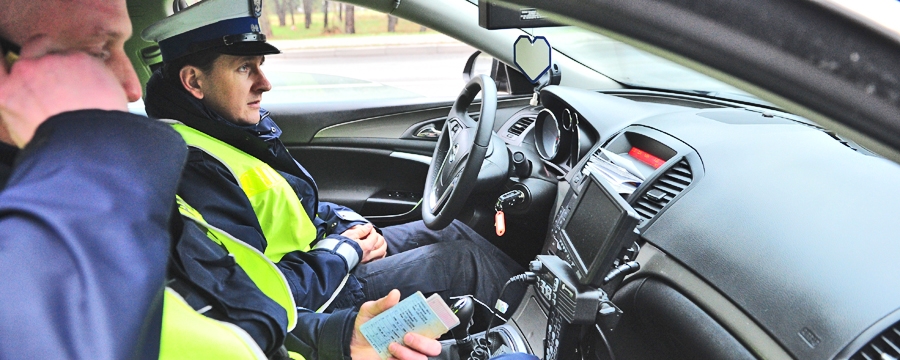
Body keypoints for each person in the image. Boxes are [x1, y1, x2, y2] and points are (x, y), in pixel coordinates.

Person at [142, 0, 525, 337]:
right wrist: (343, 250)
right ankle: (546, 336)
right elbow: (254, 290)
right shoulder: (192, 165)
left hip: (322, 266)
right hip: (315, 307)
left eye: (260, 66)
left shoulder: (226, 131)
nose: (265, 83)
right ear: (194, 80)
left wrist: (350, 227)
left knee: (451, 230)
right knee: (464, 266)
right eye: (246, 68)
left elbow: (296, 209)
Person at [0, 0, 187, 358]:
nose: (133, 87)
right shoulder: (95, 172)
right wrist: (85, 148)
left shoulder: (96, 175)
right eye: (99, 51)